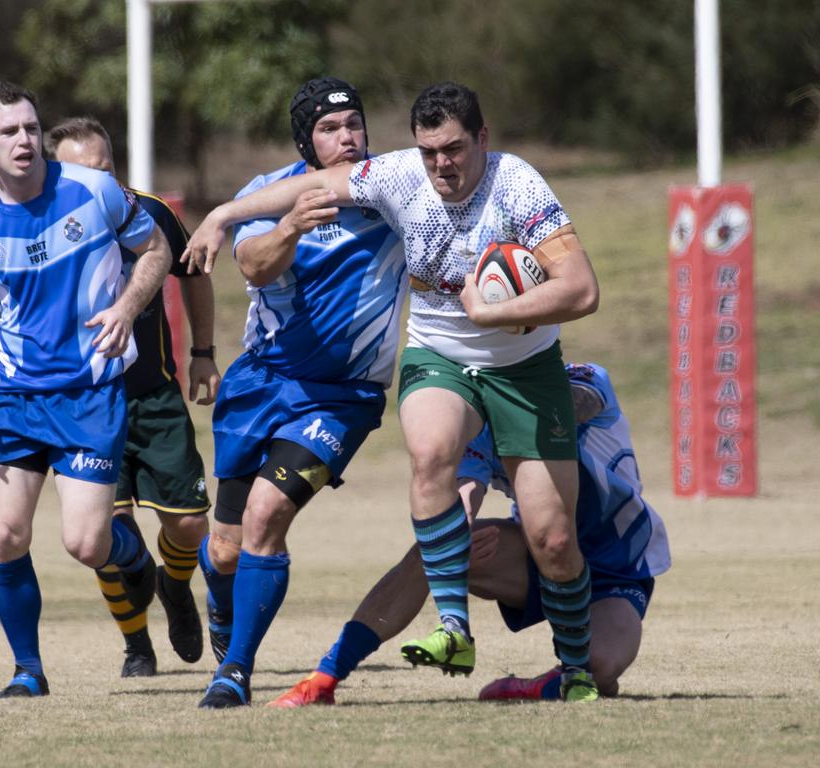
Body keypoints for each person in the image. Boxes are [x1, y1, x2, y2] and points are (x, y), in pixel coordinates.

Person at [184, 81, 602, 701]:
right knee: (430, 453)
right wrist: (222, 214)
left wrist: (492, 313)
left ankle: (576, 670)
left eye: (455, 150)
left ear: (482, 139)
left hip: (521, 369)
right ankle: (453, 626)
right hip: (433, 357)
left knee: (554, 540)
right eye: (429, 151)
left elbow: (583, 290)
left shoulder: (517, 185)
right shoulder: (399, 176)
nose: (442, 166)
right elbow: (311, 187)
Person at [0, 82, 171, 698]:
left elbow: (156, 249)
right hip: (14, 398)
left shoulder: (94, 191)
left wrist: (125, 306)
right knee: (7, 534)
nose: (24, 141)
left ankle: (136, 562)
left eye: (31, 128)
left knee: (86, 543)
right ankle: (28, 671)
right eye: (8, 132)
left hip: (89, 395)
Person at [269, 363, 671, 706]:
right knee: (431, 550)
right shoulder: (478, 430)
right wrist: (455, 538)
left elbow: (574, 406)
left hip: (616, 568)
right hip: (533, 556)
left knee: (599, 670)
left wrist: (508, 398)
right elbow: (464, 496)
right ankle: (324, 678)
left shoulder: (583, 377)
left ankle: (541, 684)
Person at [195, 77, 408, 708]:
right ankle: (220, 599)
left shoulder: (391, 190)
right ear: (304, 141)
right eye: (329, 129)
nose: (347, 139)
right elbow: (255, 266)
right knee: (226, 548)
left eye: (354, 125)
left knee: (268, 516)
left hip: (341, 398)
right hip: (261, 385)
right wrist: (289, 225)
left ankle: (234, 672)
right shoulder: (267, 194)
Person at [42, 117, 220, 677]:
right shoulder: (40, 224)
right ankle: (137, 646)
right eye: (81, 172)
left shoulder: (151, 212)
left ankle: (173, 584)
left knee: (190, 524)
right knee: (105, 533)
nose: (98, 181)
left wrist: (204, 352)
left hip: (154, 396)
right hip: (84, 403)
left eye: (106, 168)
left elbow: (193, 277)